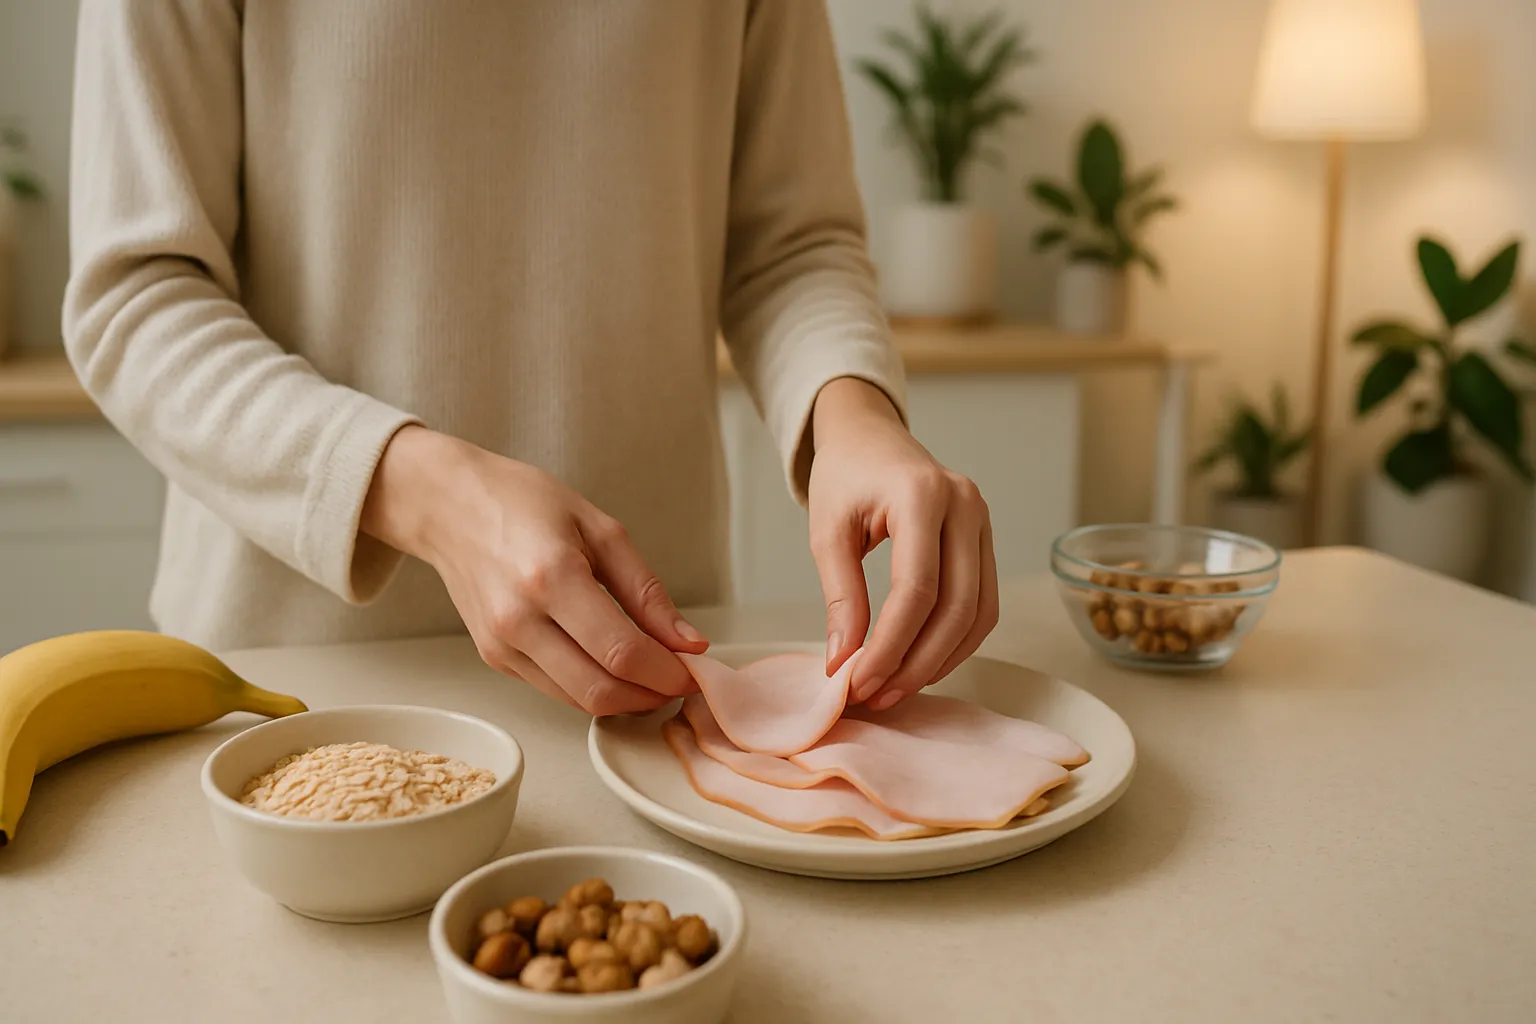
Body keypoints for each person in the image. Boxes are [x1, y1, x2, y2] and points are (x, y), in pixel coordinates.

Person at [63, 0, 998, 718]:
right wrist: (427, 491)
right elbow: (136, 293)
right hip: (298, 685)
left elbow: (789, 245)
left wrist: (855, 417)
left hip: (653, 680)